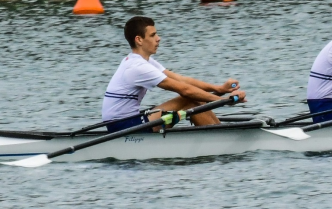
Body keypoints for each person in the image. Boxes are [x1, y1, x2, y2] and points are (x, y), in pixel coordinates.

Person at [102, 17, 246, 133]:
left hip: (127, 120)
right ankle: (221, 138)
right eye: (153, 35)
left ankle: (218, 132)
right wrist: (225, 101)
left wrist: (219, 89)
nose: (158, 38)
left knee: (194, 99)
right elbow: (185, 90)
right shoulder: (138, 67)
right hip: (123, 126)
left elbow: (181, 80)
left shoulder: (144, 61)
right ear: (139, 40)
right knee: (191, 99)